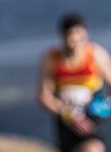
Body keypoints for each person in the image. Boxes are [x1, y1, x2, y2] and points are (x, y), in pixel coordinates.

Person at [39, 13, 111, 152]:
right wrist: (67, 113)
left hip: (93, 115)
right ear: (63, 36)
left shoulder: (96, 55)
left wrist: (104, 104)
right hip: (66, 117)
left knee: (93, 148)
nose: (74, 39)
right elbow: (44, 96)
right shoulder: (52, 59)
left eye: (78, 34)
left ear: (86, 34)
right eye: (70, 34)